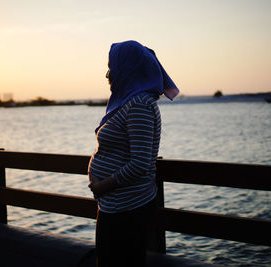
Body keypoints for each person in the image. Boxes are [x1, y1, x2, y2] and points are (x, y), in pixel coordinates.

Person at [88, 40, 179, 267]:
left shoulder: (139, 105)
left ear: (128, 69)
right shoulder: (128, 102)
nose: (107, 75)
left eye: (112, 67)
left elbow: (141, 163)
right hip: (114, 205)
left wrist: (102, 186)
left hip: (128, 208)